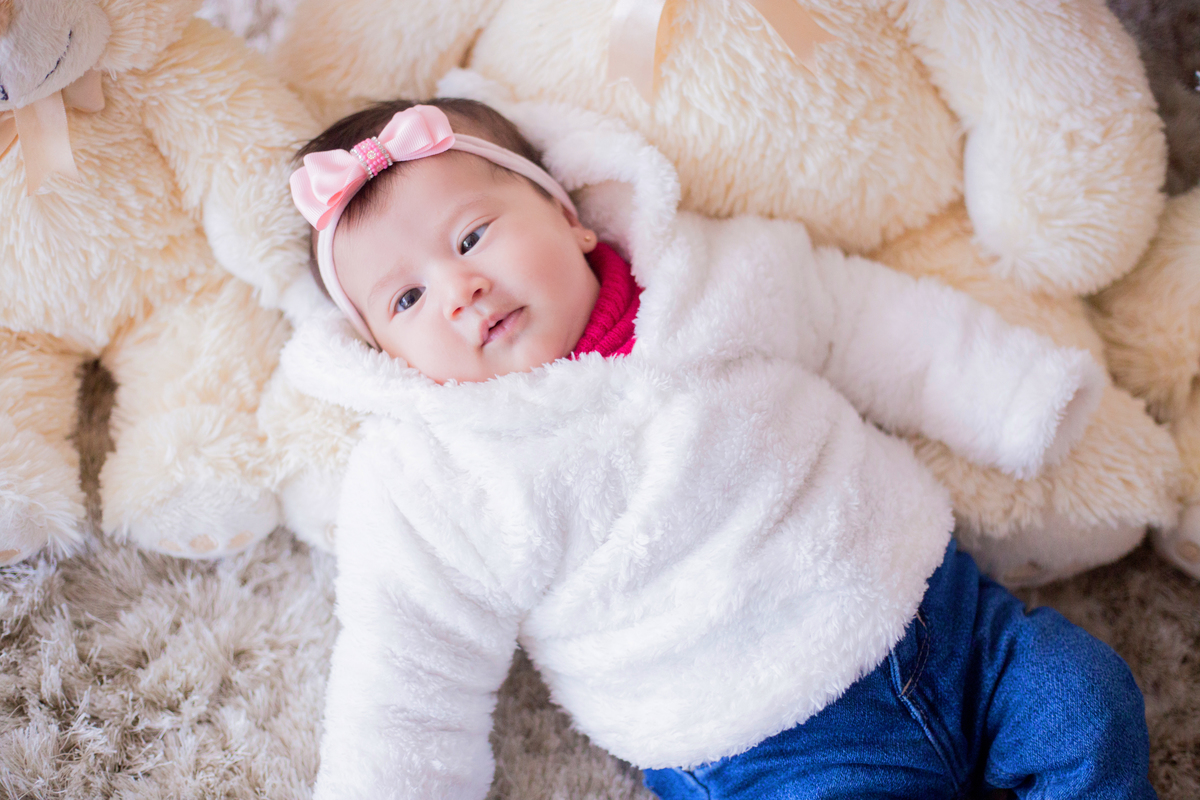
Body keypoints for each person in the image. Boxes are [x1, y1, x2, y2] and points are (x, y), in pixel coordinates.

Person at [283, 84, 1156, 800]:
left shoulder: (711, 276)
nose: (460, 290)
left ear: (567, 213)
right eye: (405, 301)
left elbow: (858, 317)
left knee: (1088, 697)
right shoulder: (433, 476)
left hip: (949, 619)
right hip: (764, 741)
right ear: (384, 357)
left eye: (471, 236)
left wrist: (1009, 393)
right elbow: (404, 682)